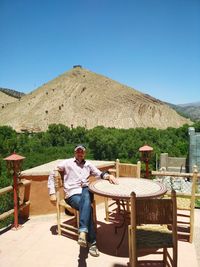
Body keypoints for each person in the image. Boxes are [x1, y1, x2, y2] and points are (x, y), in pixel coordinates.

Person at [48, 144, 118, 257]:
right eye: (78, 151)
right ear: (74, 153)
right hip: (72, 195)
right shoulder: (67, 163)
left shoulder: (88, 164)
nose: (80, 154)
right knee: (88, 207)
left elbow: (99, 174)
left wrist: (108, 176)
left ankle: (83, 231)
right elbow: (52, 173)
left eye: (82, 152)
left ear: (84, 153)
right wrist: (51, 192)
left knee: (86, 189)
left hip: (85, 191)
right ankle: (92, 242)